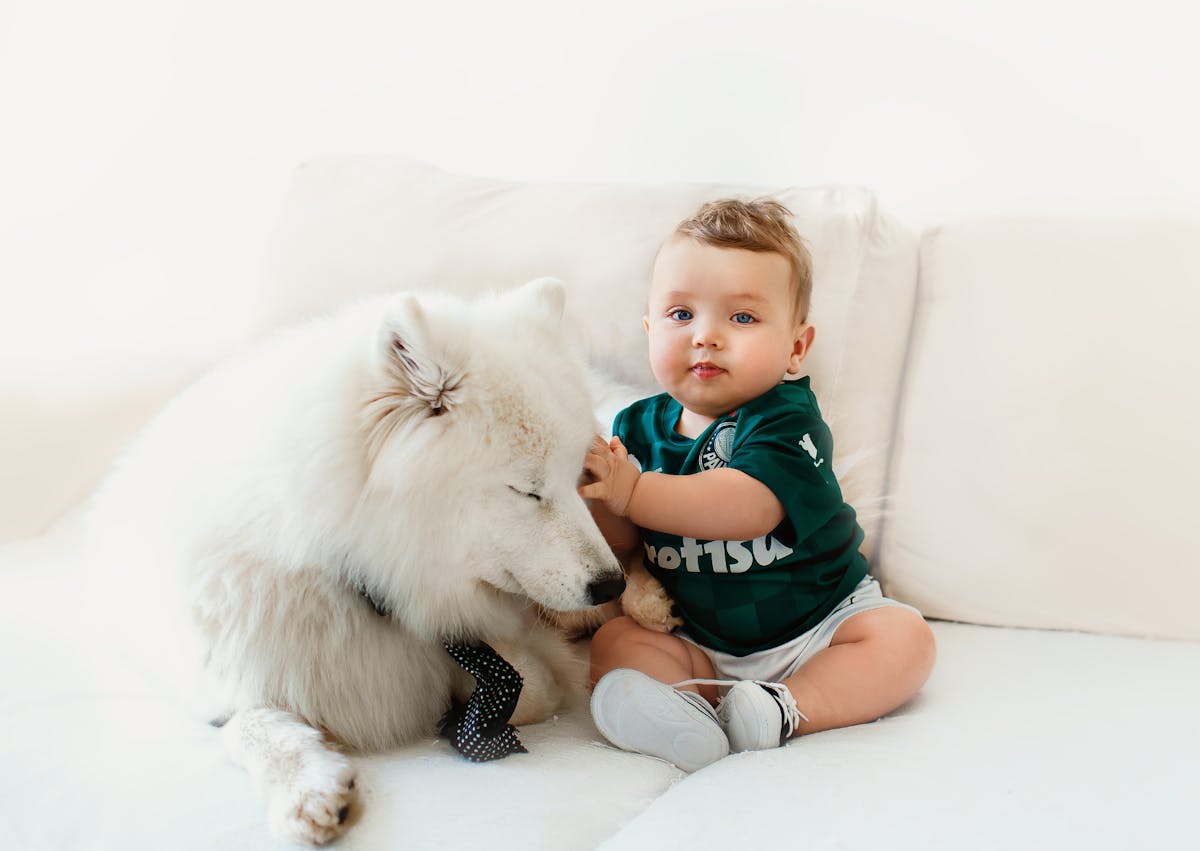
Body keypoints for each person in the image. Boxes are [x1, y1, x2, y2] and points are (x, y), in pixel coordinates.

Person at [579, 198, 936, 772]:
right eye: (680, 314)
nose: (706, 336)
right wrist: (598, 495)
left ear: (796, 348)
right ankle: (686, 714)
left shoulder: (786, 419)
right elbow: (625, 544)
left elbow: (749, 506)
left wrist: (634, 492)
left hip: (819, 627)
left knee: (904, 639)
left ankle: (785, 706)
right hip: (698, 638)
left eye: (742, 318)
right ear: (649, 329)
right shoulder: (635, 428)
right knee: (616, 642)